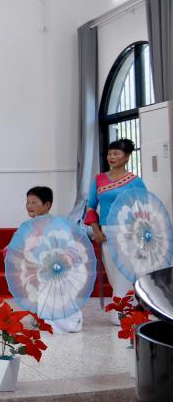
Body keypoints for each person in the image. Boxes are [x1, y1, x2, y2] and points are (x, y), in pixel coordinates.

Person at [84, 138, 146, 324]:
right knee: (112, 272)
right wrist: (95, 230)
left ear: (127, 157)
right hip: (106, 231)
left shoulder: (135, 182)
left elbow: (144, 209)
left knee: (125, 272)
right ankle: (125, 308)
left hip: (129, 231)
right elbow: (91, 208)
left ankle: (122, 313)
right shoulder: (99, 180)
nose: (112, 157)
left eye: (117, 153)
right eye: (110, 153)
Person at [21, 186, 83, 334]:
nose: (29, 205)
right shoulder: (33, 225)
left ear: (47, 205)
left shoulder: (57, 223)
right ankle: (44, 319)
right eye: (28, 202)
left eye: (34, 202)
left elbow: (67, 246)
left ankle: (65, 323)